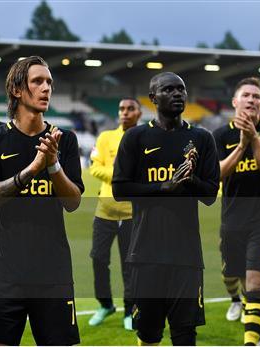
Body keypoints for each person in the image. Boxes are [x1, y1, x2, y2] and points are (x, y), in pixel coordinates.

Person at [0, 56, 84, 345]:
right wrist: (32, 170)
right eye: (38, 81)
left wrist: (53, 165)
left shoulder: (65, 140)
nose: (46, 87)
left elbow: (73, 202)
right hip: (5, 273)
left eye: (49, 82)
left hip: (53, 273)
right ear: (16, 89)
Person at [112, 72, 220, 346]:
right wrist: (163, 187)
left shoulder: (202, 139)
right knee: (148, 335)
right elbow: (120, 188)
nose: (177, 94)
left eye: (181, 89)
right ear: (152, 98)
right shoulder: (135, 138)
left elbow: (210, 195)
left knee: (185, 335)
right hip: (146, 255)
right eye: (169, 89)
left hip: (187, 257)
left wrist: (188, 179)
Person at [213, 77, 260, 346]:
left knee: (255, 282)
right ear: (235, 102)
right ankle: (235, 300)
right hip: (231, 219)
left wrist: (254, 140)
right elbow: (217, 174)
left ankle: (253, 340)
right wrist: (242, 144)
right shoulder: (219, 136)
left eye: (256, 96)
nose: (252, 100)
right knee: (232, 275)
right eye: (247, 95)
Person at [88, 97, 142, 330]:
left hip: (132, 214)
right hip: (105, 212)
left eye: (130, 109)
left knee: (130, 265)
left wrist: (122, 176)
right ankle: (105, 304)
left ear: (139, 113)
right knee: (98, 259)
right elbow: (94, 168)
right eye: (121, 108)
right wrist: (122, 176)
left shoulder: (145, 139)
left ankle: (130, 311)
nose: (125, 112)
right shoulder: (105, 137)